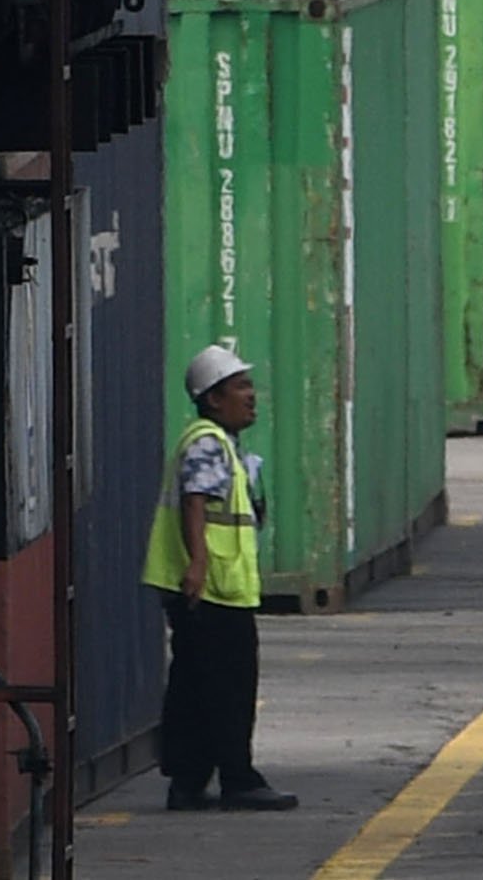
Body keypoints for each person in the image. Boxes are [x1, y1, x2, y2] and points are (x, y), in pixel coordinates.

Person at [145, 344, 294, 812]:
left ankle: (189, 780)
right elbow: (196, 500)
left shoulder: (221, 443)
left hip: (214, 589)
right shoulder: (208, 441)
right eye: (241, 388)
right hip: (213, 592)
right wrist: (199, 565)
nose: (252, 396)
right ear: (213, 399)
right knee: (229, 686)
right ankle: (238, 777)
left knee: (195, 685)